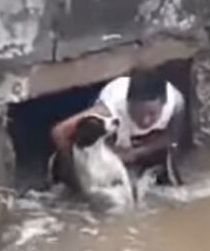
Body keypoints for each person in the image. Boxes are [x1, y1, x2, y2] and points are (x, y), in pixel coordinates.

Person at [50, 67, 187, 190]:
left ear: (164, 104)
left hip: (138, 142)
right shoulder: (109, 108)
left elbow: (172, 138)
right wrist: (75, 178)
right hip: (111, 134)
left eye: (152, 114)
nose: (145, 120)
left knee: (173, 184)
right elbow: (59, 132)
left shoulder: (176, 104)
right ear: (128, 103)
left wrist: (136, 153)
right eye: (138, 113)